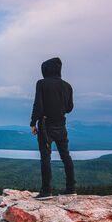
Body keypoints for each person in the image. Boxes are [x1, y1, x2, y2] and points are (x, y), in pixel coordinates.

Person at [30, 57, 76, 199]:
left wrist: (33, 123)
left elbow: (38, 105)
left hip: (45, 125)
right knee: (66, 156)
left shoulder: (41, 84)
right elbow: (69, 108)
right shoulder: (67, 86)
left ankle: (46, 191)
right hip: (61, 125)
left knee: (45, 157)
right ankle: (71, 189)